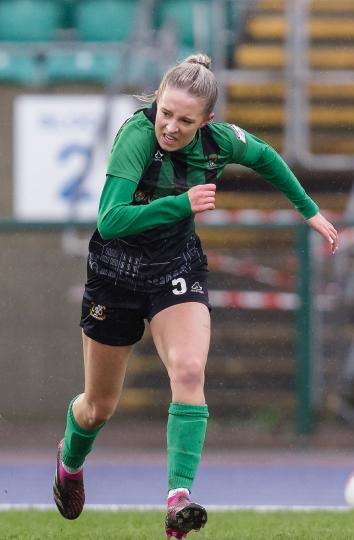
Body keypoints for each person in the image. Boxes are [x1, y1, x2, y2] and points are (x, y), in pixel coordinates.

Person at [50, 54, 339, 539]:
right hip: (114, 274)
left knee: (188, 370)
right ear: (156, 103)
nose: (170, 126)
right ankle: (70, 462)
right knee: (99, 407)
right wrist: (180, 204)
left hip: (175, 269)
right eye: (166, 113)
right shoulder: (136, 136)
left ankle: (177, 499)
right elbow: (111, 219)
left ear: (207, 121)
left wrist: (307, 210)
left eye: (185, 120)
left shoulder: (220, 142)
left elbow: (266, 157)